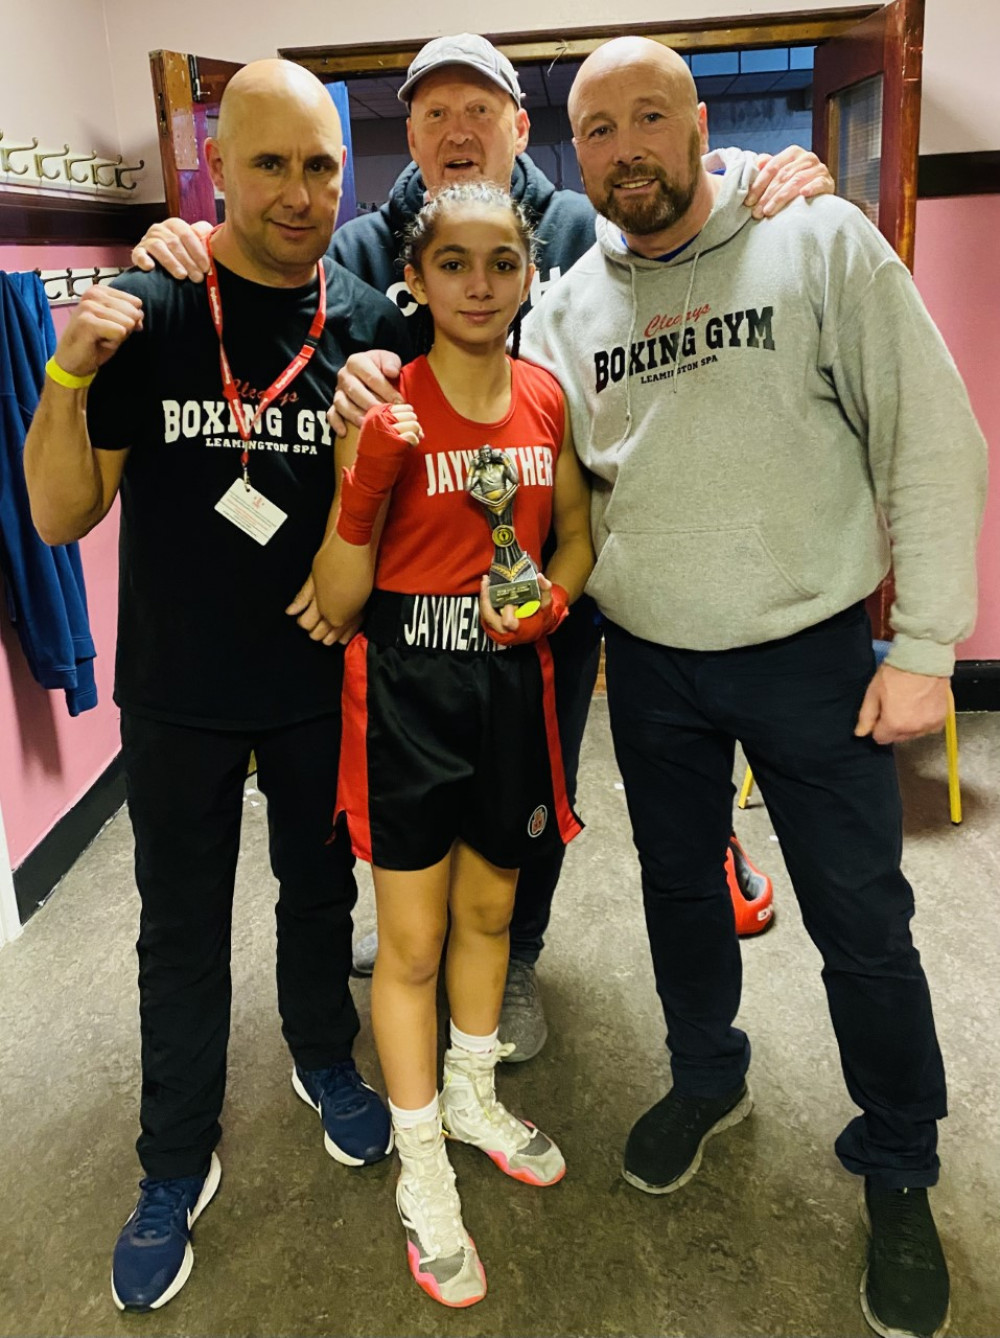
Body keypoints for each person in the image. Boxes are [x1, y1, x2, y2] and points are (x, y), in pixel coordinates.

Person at [130, 33, 828, 1062]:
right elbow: (268, 272)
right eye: (432, 115)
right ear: (409, 132)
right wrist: (173, 241)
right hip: (409, 602)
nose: (457, 131)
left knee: (529, 801)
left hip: (546, 591)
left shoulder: (592, 228)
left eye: (480, 111)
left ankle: (521, 955)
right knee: (405, 799)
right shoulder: (363, 243)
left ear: (519, 125)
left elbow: (681, 206)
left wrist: (760, 175)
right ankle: (420, 934)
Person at [518, 36, 987, 1338]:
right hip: (653, 666)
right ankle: (706, 1073)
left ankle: (899, 1159)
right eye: (596, 130)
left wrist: (929, 647)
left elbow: (934, 437)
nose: (623, 150)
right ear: (579, 153)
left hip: (815, 659)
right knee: (681, 894)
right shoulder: (565, 310)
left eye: (648, 118)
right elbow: (511, 444)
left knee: (861, 922)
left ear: (697, 122)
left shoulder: (817, 242)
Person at [24, 59, 412, 1313]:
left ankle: (322, 1055)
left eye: (319, 167)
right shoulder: (155, 305)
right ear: (217, 173)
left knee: (318, 890)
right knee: (178, 928)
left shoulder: (372, 320)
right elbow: (58, 510)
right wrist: (65, 376)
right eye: (269, 164)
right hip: (180, 685)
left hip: (313, 677)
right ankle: (170, 1157)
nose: (298, 194)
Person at [311, 182, 593, 1307]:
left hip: (510, 692)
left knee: (491, 915)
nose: (480, 284)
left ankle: (472, 1095)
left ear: (529, 275)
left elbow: (574, 538)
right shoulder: (382, 406)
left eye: (502, 262)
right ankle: (420, 1163)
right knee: (412, 946)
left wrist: (554, 605)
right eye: (455, 263)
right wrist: (367, 480)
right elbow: (336, 595)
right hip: (404, 700)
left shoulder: (544, 399)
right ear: (415, 281)